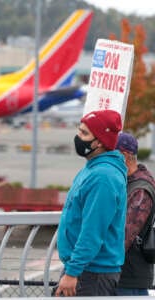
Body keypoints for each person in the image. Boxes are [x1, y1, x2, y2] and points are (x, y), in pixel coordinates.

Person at [55, 109, 127, 297]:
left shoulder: (103, 177)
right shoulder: (92, 169)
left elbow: (92, 231)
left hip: (92, 273)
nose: (78, 137)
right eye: (79, 130)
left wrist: (72, 272)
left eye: (84, 133)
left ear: (100, 142)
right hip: (84, 269)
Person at [115, 132, 155, 296]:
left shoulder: (139, 190)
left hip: (128, 277)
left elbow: (124, 236)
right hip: (125, 274)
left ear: (124, 155)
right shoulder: (128, 182)